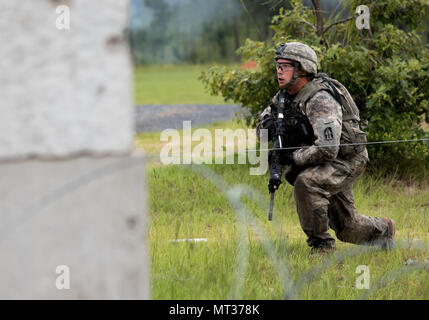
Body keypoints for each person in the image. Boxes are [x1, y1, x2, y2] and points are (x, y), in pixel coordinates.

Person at [257, 42, 396, 256]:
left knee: (306, 182)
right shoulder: (284, 97)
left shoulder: (320, 99)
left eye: (285, 65)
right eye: (278, 65)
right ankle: (383, 231)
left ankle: (322, 247)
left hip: (346, 159)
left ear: (302, 69)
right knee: (347, 228)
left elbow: (329, 149)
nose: (279, 70)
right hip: (323, 160)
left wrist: (293, 156)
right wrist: (268, 126)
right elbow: (261, 126)